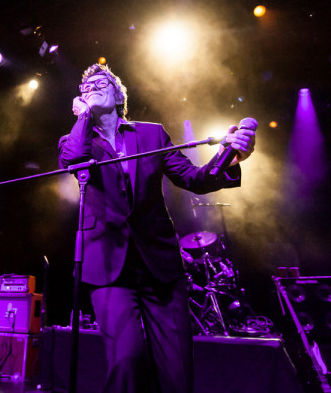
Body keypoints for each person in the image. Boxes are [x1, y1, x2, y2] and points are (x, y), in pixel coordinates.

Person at [58, 63, 256, 393]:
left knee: (177, 369)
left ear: (118, 92)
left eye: (101, 82)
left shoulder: (151, 134)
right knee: (126, 360)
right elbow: (73, 160)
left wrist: (227, 157)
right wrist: (83, 117)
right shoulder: (75, 139)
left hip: (160, 266)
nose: (92, 87)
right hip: (108, 268)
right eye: (86, 87)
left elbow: (194, 178)